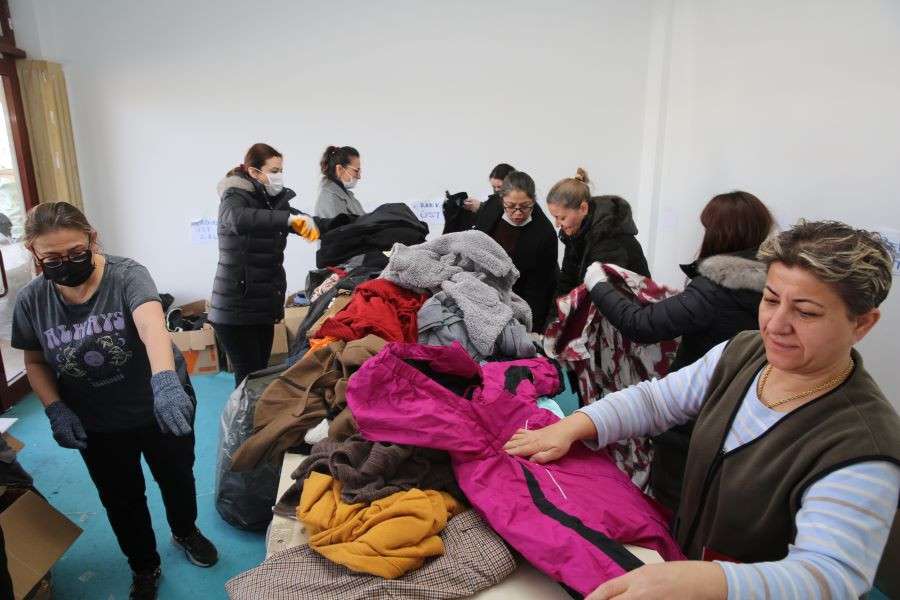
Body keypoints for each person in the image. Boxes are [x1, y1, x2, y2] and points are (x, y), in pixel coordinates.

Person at [505, 220, 900, 599]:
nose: (776, 325)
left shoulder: (863, 448)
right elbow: (656, 400)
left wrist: (713, 582)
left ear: (862, 324)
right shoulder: (743, 352)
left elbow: (830, 577)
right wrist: (577, 424)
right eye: (770, 299)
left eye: (806, 312)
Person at [11, 202, 219, 600]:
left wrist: (164, 382)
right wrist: (55, 407)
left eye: (76, 252)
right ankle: (143, 565)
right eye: (52, 258)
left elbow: (152, 326)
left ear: (92, 239)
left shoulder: (126, 275)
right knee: (120, 498)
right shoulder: (32, 300)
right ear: (33, 252)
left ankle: (185, 531)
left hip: (160, 405)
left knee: (176, 476)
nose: (66, 263)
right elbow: (34, 361)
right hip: (96, 420)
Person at [582, 191, 774, 511]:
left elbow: (641, 325)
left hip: (692, 422)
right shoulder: (773, 286)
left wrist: (598, 284)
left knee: (673, 505)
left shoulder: (714, 290)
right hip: (742, 417)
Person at [209, 143, 318, 387]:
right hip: (235, 309)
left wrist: (348, 226)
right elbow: (237, 219)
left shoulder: (271, 203)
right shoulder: (234, 196)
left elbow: (307, 224)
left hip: (260, 306)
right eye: (274, 171)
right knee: (249, 379)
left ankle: (253, 412)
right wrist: (287, 219)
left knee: (259, 375)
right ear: (254, 172)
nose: (279, 176)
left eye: (281, 171)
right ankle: (244, 414)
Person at [472, 170, 558, 330]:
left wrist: (529, 327)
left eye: (525, 206)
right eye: (510, 206)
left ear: (533, 201)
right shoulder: (491, 207)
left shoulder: (545, 235)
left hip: (521, 297)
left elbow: (539, 290)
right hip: (483, 290)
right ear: (501, 199)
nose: (517, 213)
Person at [547, 168, 650, 297]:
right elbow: (567, 281)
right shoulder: (574, 233)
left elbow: (606, 296)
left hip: (630, 305)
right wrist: (557, 309)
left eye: (562, 218)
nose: (557, 224)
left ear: (583, 209)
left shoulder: (610, 239)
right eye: (555, 218)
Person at [442, 163, 515, 235]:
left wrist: (481, 207)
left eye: (499, 187)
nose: (496, 190)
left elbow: (500, 216)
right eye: (493, 187)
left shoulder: (516, 202)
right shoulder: (492, 201)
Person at [315, 145, 366, 218]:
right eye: (356, 171)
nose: (359, 177)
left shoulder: (346, 195)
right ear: (339, 169)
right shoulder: (331, 199)